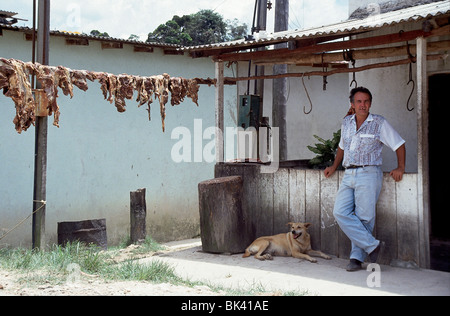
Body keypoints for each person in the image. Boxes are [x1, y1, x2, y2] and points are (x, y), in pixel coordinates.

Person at [324, 87, 406, 272]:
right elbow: (342, 147)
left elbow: (399, 144)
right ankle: (372, 245)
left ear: (370, 103)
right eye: (359, 101)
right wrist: (334, 166)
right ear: (352, 104)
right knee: (340, 212)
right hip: (349, 174)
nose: (363, 105)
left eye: (366, 101)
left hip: (369, 173)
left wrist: (400, 167)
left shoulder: (379, 122)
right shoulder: (346, 122)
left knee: (365, 218)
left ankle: (355, 259)